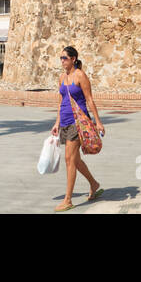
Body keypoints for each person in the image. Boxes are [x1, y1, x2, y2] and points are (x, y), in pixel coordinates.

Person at [49, 46, 103, 211]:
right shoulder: (62, 77)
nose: (62, 61)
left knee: (69, 159)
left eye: (64, 58)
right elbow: (60, 103)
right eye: (61, 58)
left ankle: (68, 199)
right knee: (75, 160)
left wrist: (98, 121)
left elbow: (89, 100)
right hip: (64, 121)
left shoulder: (80, 75)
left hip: (77, 122)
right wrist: (57, 123)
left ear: (73, 59)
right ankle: (94, 184)